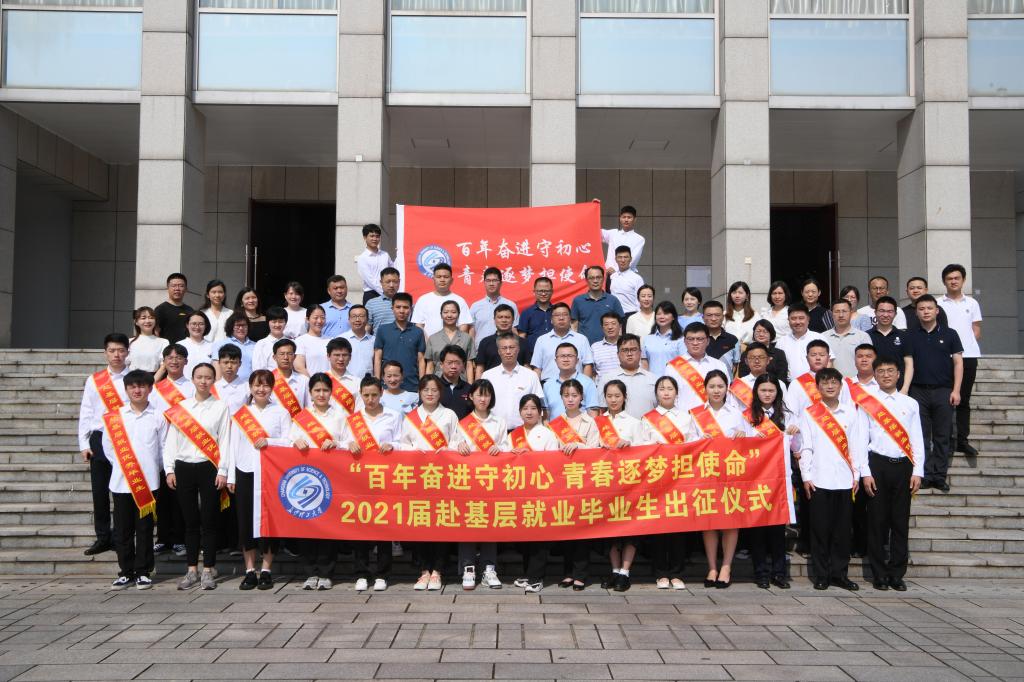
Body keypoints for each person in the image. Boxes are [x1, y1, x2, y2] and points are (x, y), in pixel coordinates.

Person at [796, 368, 868, 591]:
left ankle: (840, 574)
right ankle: (821, 575)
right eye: (825, 383)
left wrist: (857, 474)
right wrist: (806, 475)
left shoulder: (851, 412)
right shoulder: (810, 413)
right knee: (820, 530)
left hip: (845, 480)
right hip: (819, 479)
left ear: (840, 386)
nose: (830, 386)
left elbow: (857, 445)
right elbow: (806, 446)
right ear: (817, 387)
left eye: (834, 382)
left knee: (842, 531)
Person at [858, 357, 926, 592]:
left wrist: (918, 470)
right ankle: (878, 574)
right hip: (877, 464)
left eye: (890, 371)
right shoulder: (867, 402)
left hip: (903, 466)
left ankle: (897, 574)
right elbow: (860, 439)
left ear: (899, 374)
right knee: (876, 522)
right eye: (881, 371)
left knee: (900, 522)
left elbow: (917, 439)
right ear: (875, 375)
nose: (886, 375)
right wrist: (865, 472)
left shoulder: (910, 403)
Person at [164, 362, 230, 591]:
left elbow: (225, 440)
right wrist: (169, 469)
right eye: (199, 377)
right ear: (192, 379)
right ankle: (191, 569)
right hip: (183, 467)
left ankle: (209, 569)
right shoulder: (181, 408)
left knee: (209, 521)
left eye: (208, 377)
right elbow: (171, 441)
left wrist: (223, 470)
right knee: (190, 522)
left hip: (209, 467)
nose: (203, 381)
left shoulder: (220, 407)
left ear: (213, 380)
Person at [100, 369, 166, 590]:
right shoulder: (115, 417)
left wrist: (151, 469)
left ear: (150, 388)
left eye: (142, 386)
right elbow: (108, 449)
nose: (137, 390)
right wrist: (125, 467)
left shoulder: (158, 416)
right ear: (126, 389)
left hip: (148, 483)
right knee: (122, 529)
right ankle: (126, 572)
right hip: (121, 481)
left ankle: (143, 572)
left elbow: (163, 449)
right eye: (132, 386)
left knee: (145, 529)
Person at [226, 369, 290, 591]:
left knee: (269, 521)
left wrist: (269, 441)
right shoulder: (241, 414)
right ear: (250, 387)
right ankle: (249, 570)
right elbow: (232, 446)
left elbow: (289, 442)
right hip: (245, 472)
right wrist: (231, 476)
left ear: (272, 388)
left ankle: (266, 570)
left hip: (271, 475)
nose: (261, 389)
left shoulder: (281, 412)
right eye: (257, 385)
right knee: (245, 522)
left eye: (265, 385)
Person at [341, 376, 402, 591]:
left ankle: (382, 574)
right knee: (361, 525)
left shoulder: (393, 416)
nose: (370, 399)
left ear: (381, 393)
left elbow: (403, 442)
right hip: (359, 478)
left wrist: (392, 445)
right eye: (366, 395)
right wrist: (349, 444)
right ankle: (361, 572)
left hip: (385, 478)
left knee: (384, 525)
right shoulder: (353, 419)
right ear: (360, 395)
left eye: (374, 395)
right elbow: (342, 442)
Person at [690, 370, 750, 590]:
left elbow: (750, 442)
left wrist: (743, 437)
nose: (716, 390)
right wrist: (699, 440)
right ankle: (712, 567)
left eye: (720, 386)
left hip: (731, 475)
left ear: (727, 389)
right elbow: (687, 442)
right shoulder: (696, 414)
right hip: (706, 474)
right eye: (712, 386)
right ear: (705, 388)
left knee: (730, 522)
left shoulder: (736, 413)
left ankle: (726, 566)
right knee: (709, 521)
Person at [399, 375, 459, 591]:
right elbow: (402, 444)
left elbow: (458, 441)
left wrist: (448, 449)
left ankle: (438, 570)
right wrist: (414, 451)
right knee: (421, 522)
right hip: (418, 477)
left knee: (441, 522)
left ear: (440, 392)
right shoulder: (411, 418)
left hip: (443, 476)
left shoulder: (449, 415)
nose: (430, 393)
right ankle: (424, 570)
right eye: (426, 390)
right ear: (420, 392)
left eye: (434, 390)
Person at [289, 373, 346, 590]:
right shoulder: (302, 417)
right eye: (317, 390)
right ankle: (310, 571)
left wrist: (336, 443)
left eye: (325, 390)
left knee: (328, 525)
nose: (321, 394)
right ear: (310, 393)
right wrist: (296, 440)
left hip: (331, 478)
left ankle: (326, 572)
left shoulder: (340, 415)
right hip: (306, 478)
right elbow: (289, 440)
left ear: (331, 392)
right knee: (307, 524)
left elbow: (350, 441)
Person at [453, 379, 507, 590]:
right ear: (471, 397)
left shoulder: (499, 422)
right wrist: (459, 445)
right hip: (467, 482)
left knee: (490, 524)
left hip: (491, 482)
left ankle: (489, 568)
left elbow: (506, 446)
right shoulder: (463, 423)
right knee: (468, 523)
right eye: (479, 394)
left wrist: (499, 449)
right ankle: (468, 568)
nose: (483, 399)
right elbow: (451, 445)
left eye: (486, 395)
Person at [78, 333, 130, 556]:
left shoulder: (134, 379)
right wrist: (83, 443)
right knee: (99, 491)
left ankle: (120, 536)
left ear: (127, 352)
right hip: (99, 439)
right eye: (112, 350)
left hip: (125, 438)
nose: (117, 355)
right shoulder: (95, 380)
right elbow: (86, 411)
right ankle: (102, 537)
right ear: (105, 353)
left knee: (121, 491)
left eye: (121, 350)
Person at [595, 379, 648, 592]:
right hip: (606, 483)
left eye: (617, 396)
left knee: (629, 529)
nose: (613, 400)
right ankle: (615, 570)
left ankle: (625, 572)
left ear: (624, 397)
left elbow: (645, 452)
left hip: (629, 485)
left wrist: (630, 445)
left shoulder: (635, 423)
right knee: (610, 530)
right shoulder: (598, 422)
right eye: (609, 396)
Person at [642, 376, 693, 590]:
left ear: (676, 392)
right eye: (662, 389)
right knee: (659, 526)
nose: (666, 392)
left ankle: (677, 573)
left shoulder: (686, 417)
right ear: (656, 393)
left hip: (680, 477)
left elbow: (693, 444)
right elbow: (642, 445)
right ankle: (660, 572)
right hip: (657, 478)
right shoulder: (648, 418)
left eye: (670, 389)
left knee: (678, 526)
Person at [746, 374, 796, 589]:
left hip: (778, 479)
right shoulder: (747, 416)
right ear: (756, 392)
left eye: (771, 390)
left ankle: (779, 573)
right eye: (763, 390)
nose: (767, 394)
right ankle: (760, 573)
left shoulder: (788, 415)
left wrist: (794, 434)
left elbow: (797, 447)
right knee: (757, 527)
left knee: (777, 527)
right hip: (755, 478)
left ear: (778, 392)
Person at [909, 294, 963, 492]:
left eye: (929, 308)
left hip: (943, 390)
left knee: (942, 435)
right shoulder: (911, 336)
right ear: (916, 312)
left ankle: (939, 476)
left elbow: (958, 363)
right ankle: (923, 474)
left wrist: (956, 390)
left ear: (937, 311)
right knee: (921, 436)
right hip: (918, 391)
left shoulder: (950, 334)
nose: (926, 312)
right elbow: (908, 364)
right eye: (921, 309)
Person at [550, 379, 600, 590]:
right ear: (561, 398)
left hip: (583, 481)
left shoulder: (590, 422)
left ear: (581, 397)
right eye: (566, 395)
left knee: (582, 529)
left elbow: (595, 449)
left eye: (574, 395)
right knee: (566, 528)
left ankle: (581, 574)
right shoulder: (555, 423)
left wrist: (578, 445)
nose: (570, 399)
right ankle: (568, 572)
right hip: (562, 482)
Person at [508, 394, 560, 593]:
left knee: (539, 536)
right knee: (524, 535)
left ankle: (537, 577)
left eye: (533, 408)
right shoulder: (513, 435)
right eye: (525, 408)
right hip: (519, 492)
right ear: (520, 412)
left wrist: (530, 457)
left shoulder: (547, 434)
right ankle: (527, 572)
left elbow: (553, 463)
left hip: (541, 491)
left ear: (540, 412)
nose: (529, 412)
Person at [938, 264, 983, 458]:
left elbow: (976, 329)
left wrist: (966, 344)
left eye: (957, 278)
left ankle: (963, 441)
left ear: (963, 280)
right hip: (945, 358)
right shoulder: (938, 304)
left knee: (964, 400)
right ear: (944, 281)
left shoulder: (972, 303)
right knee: (945, 400)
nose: (953, 281)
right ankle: (946, 441)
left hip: (968, 356)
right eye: (949, 278)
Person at [481, 332, 542, 431]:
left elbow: (538, 406)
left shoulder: (531, 376)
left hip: (523, 432)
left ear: (518, 349)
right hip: (494, 431)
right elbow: (482, 406)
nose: (508, 351)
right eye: (504, 348)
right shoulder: (488, 376)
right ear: (499, 351)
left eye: (512, 347)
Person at [665, 322, 729, 412]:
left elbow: (727, 395)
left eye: (700, 339)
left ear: (708, 341)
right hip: (684, 417)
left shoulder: (719, 365)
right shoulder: (672, 367)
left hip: (713, 418)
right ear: (684, 341)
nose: (695, 343)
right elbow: (668, 397)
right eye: (690, 339)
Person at [373, 292, 426, 392]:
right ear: (392, 308)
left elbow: (421, 360)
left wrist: (422, 385)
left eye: (405, 307)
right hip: (387, 386)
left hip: (412, 385)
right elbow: (378, 358)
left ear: (411, 309)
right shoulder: (383, 330)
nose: (402, 311)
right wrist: (377, 382)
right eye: (398, 307)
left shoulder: (418, 332)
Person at [597, 334, 657, 419]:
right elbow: (602, 411)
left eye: (633, 349)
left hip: (648, 426)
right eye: (625, 350)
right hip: (617, 427)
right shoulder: (607, 379)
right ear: (618, 354)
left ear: (640, 353)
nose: (629, 354)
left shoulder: (653, 379)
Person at [530, 302, 594, 381]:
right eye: (557, 315)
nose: (561, 318)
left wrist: (585, 385)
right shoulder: (541, 340)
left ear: (570, 318)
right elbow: (537, 368)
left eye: (565, 315)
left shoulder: (581, 339)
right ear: (551, 320)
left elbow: (588, 365)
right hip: (548, 385)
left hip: (575, 385)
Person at [411, 263, 472, 336]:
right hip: (428, 342)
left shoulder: (460, 301)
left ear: (451, 280)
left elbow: (463, 326)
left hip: (454, 342)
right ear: (433, 279)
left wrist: (454, 342)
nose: (442, 280)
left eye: (446, 277)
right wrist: (428, 342)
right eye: (439, 277)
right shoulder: (423, 300)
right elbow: (419, 326)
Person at [867, 296, 914, 391]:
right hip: (872, 389)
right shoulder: (866, 336)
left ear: (895, 314)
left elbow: (909, 364)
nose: (885, 315)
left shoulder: (904, 336)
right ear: (875, 312)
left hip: (898, 389)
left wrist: (905, 388)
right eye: (882, 311)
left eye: (889, 311)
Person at [543, 343, 600, 419]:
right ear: (556, 360)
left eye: (570, 356)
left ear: (577, 360)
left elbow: (593, 415)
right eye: (562, 356)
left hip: (581, 426)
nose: (566, 360)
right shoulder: (547, 385)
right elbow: (545, 417)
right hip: (553, 426)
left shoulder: (588, 383)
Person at [775, 303, 830, 381]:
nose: (797, 322)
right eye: (793, 318)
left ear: (808, 319)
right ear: (788, 320)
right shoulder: (781, 342)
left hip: (815, 384)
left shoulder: (819, 338)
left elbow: (829, 363)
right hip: (789, 385)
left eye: (801, 318)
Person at [571, 265, 624, 345]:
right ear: (586, 280)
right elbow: (574, 326)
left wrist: (618, 344)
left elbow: (619, 326)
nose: (595, 281)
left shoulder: (613, 300)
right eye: (591, 278)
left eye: (598, 277)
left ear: (603, 278)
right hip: (584, 346)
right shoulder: (578, 300)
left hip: (608, 346)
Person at [425, 301, 475, 380]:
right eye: (445, 312)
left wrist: (470, 386)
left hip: (461, 381)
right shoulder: (433, 338)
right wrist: (428, 384)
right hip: (438, 382)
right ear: (441, 315)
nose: (449, 315)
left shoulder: (467, 338)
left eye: (453, 312)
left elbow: (469, 365)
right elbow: (430, 366)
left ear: (458, 314)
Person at [731, 342, 787, 411]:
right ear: (746, 361)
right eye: (752, 357)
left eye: (761, 357)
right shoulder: (738, 385)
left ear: (768, 360)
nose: (757, 361)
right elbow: (733, 410)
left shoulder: (780, 384)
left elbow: (785, 410)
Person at [823, 299, 871, 377]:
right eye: (837, 311)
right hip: (831, 383)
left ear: (851, 313)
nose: (841, 315)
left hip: (856, 383)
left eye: (844, 311)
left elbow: (869, 363)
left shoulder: (863, 337)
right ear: (832, 314)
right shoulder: (823, 337)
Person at [469, 267, 519, 342]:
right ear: (484, 283)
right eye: (488, 281)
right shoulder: (475, 306)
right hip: (481, 348)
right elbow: (471, 331)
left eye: (495, 280)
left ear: (501, 283)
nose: (491, 284)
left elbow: (514, 329)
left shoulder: (511, 305)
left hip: (504, 347)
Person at [475, 304, 527, 372]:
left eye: (507, 317)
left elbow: (527, 367)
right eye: (500, 317)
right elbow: (480, 369)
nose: (504, 320)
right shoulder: (485, 342)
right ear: (494, 319)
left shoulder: (523, 342)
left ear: (513, 320)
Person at [267, 338, 310, 415]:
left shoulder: (304, 380)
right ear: (274, 357)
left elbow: (309, 407)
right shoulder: (267, 380)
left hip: (297, 421)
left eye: (289, 354)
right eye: (282, 354)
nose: (286, 357)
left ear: (294, 357)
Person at [642, 301, 684, 377]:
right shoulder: (647, 339)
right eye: (659, 314)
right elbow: (644, 363)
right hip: (652, 381)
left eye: (666, 313)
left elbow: (683, 363)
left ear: (673, 317)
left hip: (673, 381)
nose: (662, 317)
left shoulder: (681, 339)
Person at [325, 337, 364, 415]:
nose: (341, 359)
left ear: (350, 357)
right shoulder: (321, 380)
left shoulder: (357, 382)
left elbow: (359, 410)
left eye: (344, 355)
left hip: (348, 422)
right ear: (328, 356)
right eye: (337, 355)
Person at [356, 223, 394, 304]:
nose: (375, 239)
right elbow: (371, 281)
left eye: (377, 236)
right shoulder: (362, 258)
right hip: (371, 294)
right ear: (365, 237)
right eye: (372, 236)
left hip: (387, 292)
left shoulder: (385, 254)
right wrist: (385, 292)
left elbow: (393, 270)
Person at [517, 276, 554, 358]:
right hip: (533, 356)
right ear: (534, 292)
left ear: (552, 292)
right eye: (540, 291)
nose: (543, 294)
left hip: (556, 355)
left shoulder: (557, 311)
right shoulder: (526, 313)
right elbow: (522, 338)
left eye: (546, 291)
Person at [212, 312, 255, 381]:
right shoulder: (220, 344)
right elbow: (217, 369)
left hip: (251, 384)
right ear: (231, 327)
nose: (241, 328)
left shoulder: (256, 345)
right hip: (228, 384)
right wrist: (219, 385)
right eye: (237, 325)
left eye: (244, 325)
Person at [601, 204, 645, 272]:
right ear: (620, 218)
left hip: (627, 274)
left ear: (634, 219)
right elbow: (594, 232)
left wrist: (615, 270)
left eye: (629, 217)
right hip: (608, 273)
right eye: (624, 217)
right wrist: (593, 207)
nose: (626, 220)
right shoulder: (613, 233)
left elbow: (633, 260)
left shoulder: (639, 239)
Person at [127, 306, 169, 374]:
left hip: (153, 377)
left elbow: (163, 366)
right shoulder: (129, 342)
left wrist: (152, 380)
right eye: (143, 318)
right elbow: (124, 364)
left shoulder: (163, 342)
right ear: (136, 322)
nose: (148, 321)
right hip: (131, 378)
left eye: (151, 318)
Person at [154, 272, 193, 343]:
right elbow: (155, 332)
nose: (177, 289)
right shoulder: (160, 310)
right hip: (167, 349)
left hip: (186, 349)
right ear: (167, 288)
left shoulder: (190, 310)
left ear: (186, 289)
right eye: (173, 286)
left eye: (181, 286)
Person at [436, 345, 473, 419]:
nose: (453, 366)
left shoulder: (469, 389)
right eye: (449, 363)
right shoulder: (434, 387)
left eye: (457, 363)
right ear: (441, 365)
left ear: (463, 365)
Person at [703, 301, 739, 375]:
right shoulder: (697, 340)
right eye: (709, 315)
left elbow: (736, 366)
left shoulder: (733, 340)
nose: (713, 319)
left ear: (723, 317)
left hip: (726, 381)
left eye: (717, 315)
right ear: (703, 318)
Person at [212, 344, 249, 414]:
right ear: (219, 363)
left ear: (240, 364)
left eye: (233, 363)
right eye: (225, 362)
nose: (229, 366)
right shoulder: (212, 388)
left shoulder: (247, 388)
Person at [341, 304, 375, 378]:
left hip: (367, 383)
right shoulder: (341, 339)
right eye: (354, 316)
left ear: (367, 319)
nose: (357, 320)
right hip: (346, 382)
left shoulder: (373, 340)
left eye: (361, 316)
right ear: (349, 320)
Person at [294, 305, 329, 377]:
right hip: (310, 382)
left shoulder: (331, 340)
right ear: (307, 319)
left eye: (322, 318)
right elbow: (299, 367)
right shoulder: (300, 341)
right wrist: (313, 381)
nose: (319, 321)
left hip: (330, 382)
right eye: (316, 318)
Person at [250, 306, 288, 372]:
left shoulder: (292, 342)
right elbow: (258, 369)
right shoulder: (261, 344)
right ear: (268, 323)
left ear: (286, 323)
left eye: (281, 322)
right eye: (274, 322)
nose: (277, 325)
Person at [608, 245, 644, 315]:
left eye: (626, 257)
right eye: (620, 257)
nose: (623, 260)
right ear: (616, 259)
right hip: (615, 316)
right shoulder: (613, 277)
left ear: (630, 259)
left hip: (632, 315)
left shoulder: (637, 278)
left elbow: (641, 300)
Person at [178, 311, 213, 379]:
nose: (197, 327)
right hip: (183, 384)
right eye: (194, 324)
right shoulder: (179, 345)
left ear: (206, 326)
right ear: (187, 325)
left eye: (201, 324)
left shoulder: (213, 346)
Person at [724, 281, 761, 345]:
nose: (737, 296)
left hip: (749, 349)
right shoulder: (724, 314)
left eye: (740, 293)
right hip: (728, 348)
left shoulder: (755, 315)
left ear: (747, 296)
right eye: (734, 292)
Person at [366, 267, 400, 333]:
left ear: (399, 282)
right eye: (388, 282)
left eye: (394, 282)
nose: (391, 285)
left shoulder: (406, 303)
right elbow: (367, 328)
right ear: (381, 282)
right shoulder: (371, 304)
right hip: (379, 339)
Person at [590, 312, 623, 380]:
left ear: (620, 326)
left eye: (613, 323)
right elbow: (592, 372)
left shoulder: (626, 345)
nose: (610, 327)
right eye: (606, 324)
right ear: (602, 327)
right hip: (602, 385)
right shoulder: (595, 347)